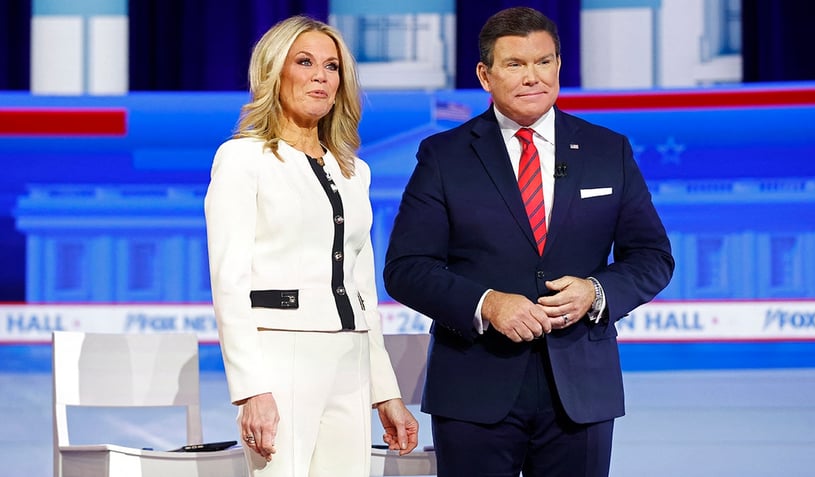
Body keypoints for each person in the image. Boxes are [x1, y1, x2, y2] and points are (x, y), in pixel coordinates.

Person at [383, 6, 674, 477]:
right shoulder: (444, 156)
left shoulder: (608, 150)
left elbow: (652, 257)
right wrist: (487, 303)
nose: (532, 77)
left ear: (559, 66)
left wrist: (596, 292)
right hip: (475, 388)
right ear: (485, 74)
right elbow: (407, 268)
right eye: (515, 64)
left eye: (544, 62)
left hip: (581, 389)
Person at [204, 15, 418, 477]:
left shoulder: (354, 171)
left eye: (332, 66)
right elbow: (229, 280)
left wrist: (386, 391)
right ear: (274, 71)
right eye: (305, 62)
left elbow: (362, 288)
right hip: (281, 356)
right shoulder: (243, 159)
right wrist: (251, 389)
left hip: (352, 358)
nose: (321, 76)